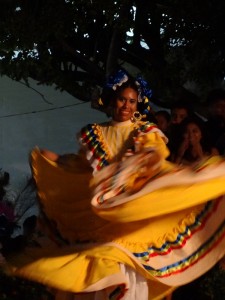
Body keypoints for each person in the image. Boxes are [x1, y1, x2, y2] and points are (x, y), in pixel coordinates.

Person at [8, 70, 225, 300]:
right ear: (113, 99)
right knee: (98, 272)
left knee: (126, 271)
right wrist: (56, 162)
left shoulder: (144, 132)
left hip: (130, 215)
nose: (127, 106)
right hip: (101, 220)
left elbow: (155, 155)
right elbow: (81, 167)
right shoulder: (95, 133)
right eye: (122, 99)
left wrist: (137, 162)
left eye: (132, 101)